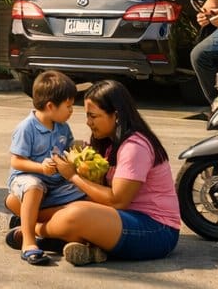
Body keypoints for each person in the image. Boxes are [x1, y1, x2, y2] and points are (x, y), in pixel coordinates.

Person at [42, 80, 182, 266]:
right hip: (122, 219)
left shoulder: (135, 146)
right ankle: (91, 250)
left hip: (157, 230)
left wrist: (73, 176)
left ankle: (35, 233)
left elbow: (118, 201)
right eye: (87, 116)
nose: (88, 122)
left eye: (93, 116)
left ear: (115, 115)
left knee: (76, 214)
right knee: (57, 208)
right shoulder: (108, 142)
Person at [3, 70, 83, 265]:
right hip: (26, 176)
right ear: (50, 106)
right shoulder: (27, 127)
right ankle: (28, 242)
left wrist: (78, 150)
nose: (72, 111)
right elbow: (16, 162)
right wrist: (40, 167)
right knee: (34, 186)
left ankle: (34, 223)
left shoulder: (62, 126)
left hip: (55, 181)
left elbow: (68, 148)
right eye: (68, 106)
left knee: (83, 190)